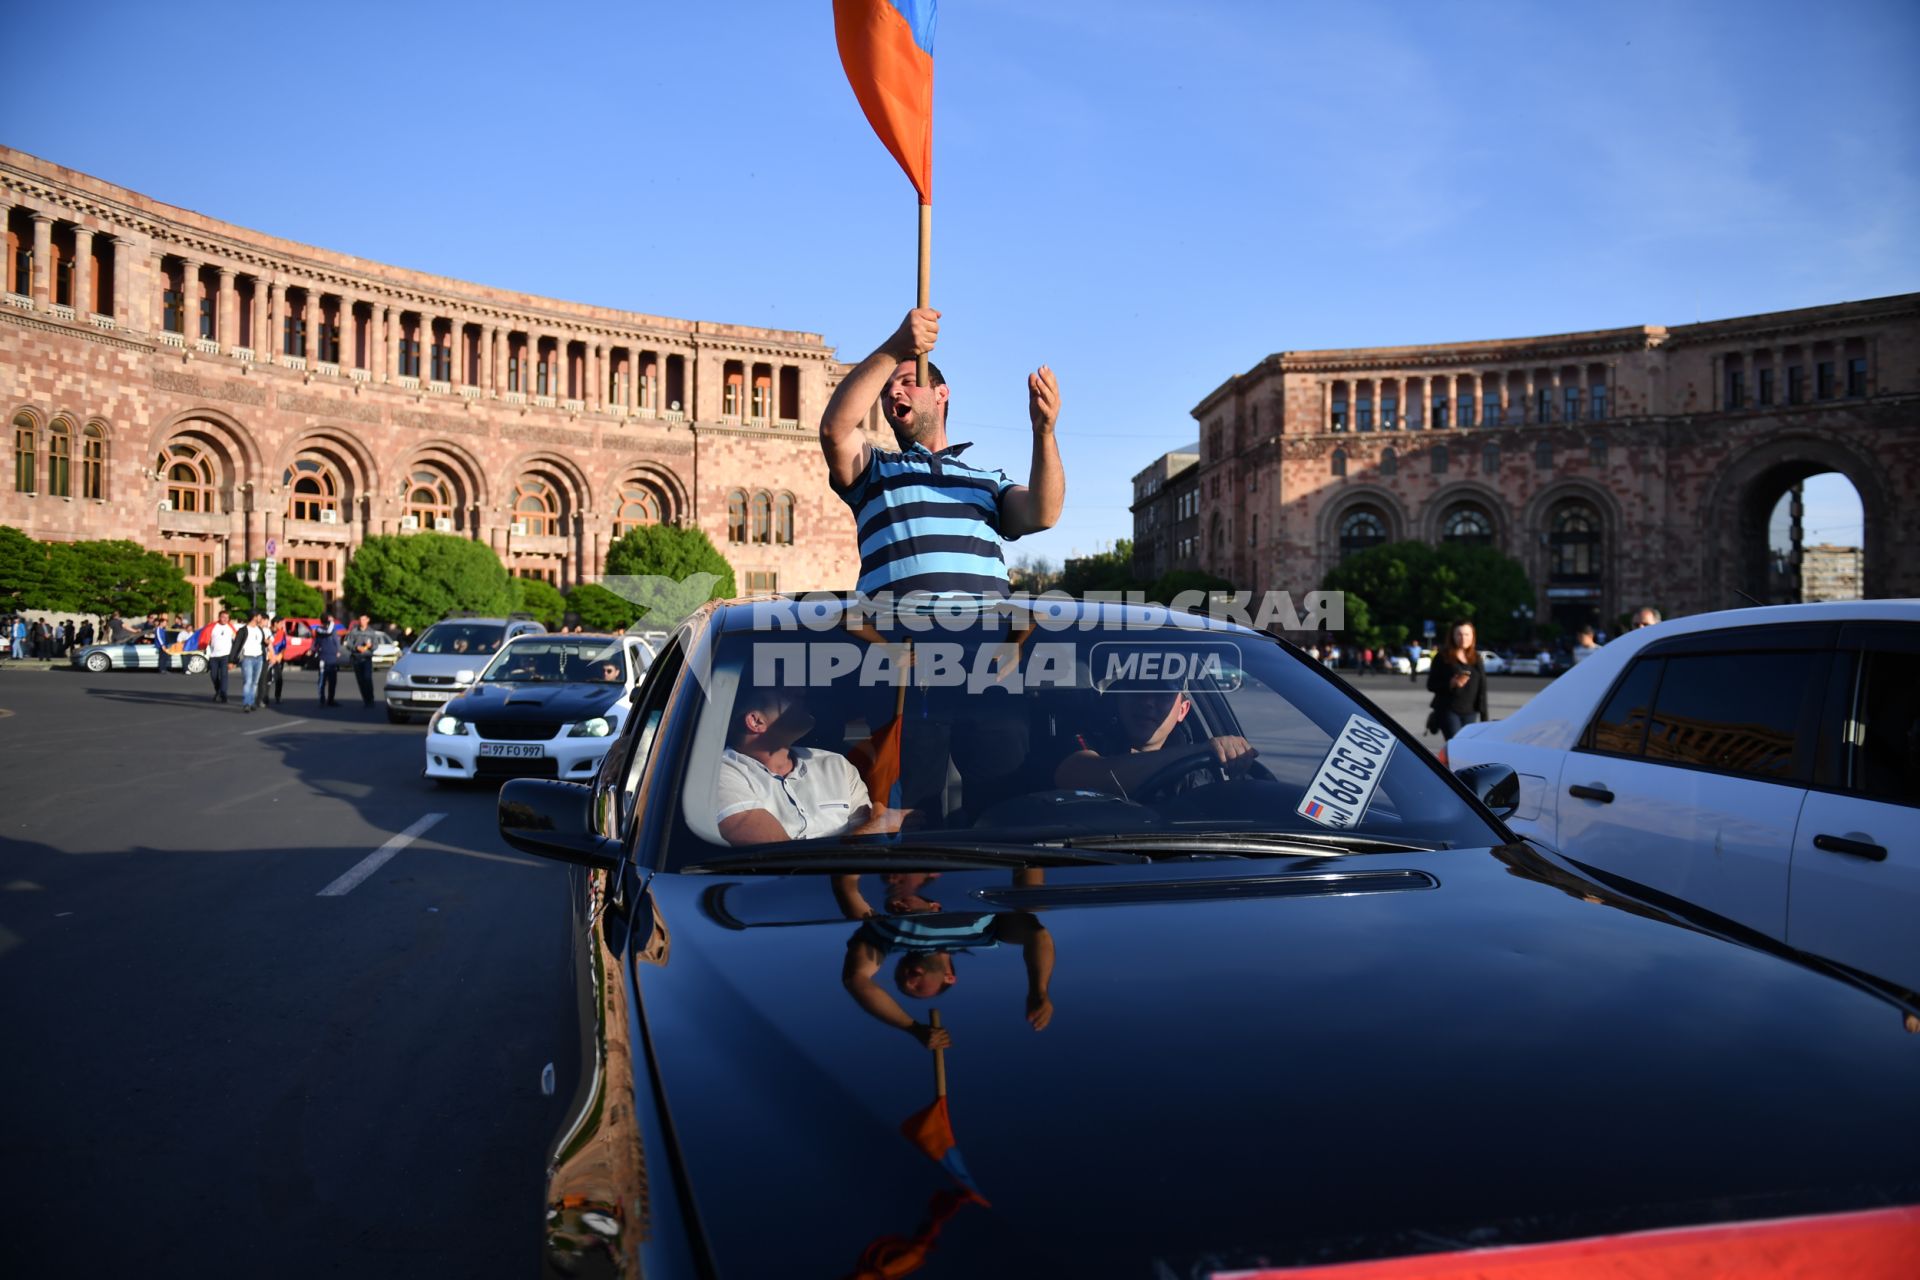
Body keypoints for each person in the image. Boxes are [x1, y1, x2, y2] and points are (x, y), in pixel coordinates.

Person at [818, 306, 1064, 598]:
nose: (893, 393)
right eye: (885, 392)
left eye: (908, 382)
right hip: (898, 638)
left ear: (941, 394)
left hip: (982, 639)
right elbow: (835, 430)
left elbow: (1043, 513)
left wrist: (1044, 434)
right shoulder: (874, 472)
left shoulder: (990, 483)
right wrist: (897, 347)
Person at [836, 872, 1055, 1047]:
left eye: (901, 982)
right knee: (1030, 906)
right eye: (918, 988)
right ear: (949, 977)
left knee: (855, 913)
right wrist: (1039, 990)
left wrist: (912, 1028)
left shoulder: (885, 937)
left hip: (890, 853)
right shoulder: (986, 933)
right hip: (968, 857)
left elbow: (855, 979)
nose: (908, 981)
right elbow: (1037, 936)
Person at [715, 686, 872, 845]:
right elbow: (775, 856)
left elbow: (871, 840)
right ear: (756, 721)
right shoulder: (716, 774)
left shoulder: (837, 765)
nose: (801, 691)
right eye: (783, 692)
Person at [1054, 680, 1258, 797]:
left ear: (1183, 710)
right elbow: (1076, 775)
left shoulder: (1207, 773)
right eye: (1138, 688)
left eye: (1163, 693)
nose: (1148, 702)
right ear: (1119, 697)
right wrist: (1198, 752)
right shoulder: (1088, 735)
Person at [1425, 619, 1488, 742]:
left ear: (1472, 636)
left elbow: (1482, 689)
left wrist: (1484, 718)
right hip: (1448, 710)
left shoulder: (1476, 658)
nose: (1463, 638)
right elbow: (1431, 684)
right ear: (1452, 636)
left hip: (1471, 712)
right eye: (1459, 634)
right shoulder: (1442, 657)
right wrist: (1451, 683)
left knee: (1465, 747)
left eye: (1467, 634)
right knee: (1456, 743)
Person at [236, 612, 270, 712]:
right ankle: (246, 703)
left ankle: (251, 702)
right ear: (254, 617)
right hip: (247, 658)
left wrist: (266, 642)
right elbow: (237, 645)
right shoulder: (243, 630)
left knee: (255, 682)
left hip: (259, 658)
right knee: (248, 681)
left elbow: (262, 642)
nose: (261, 618)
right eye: (259, 616)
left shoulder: (259, 629)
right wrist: (232, 660)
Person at [343, 613, 379, 707]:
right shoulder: (354, 631)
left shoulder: (371, 632)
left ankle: (370, 699)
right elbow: (348, 644)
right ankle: (366, 700)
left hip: (366, 658)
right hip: (357, 658)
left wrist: (370, 646)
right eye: (360, 620)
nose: (361, 621)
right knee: (360, 680)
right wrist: (356, 647)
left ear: (367, 620)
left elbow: (376, 645)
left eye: (363, 619)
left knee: (367, 679)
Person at [206, 610, 236, 703]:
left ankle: (223, 694)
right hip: (214, 655)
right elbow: (206, 637)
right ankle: (218, 691)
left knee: (224, 675)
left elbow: (237, 641)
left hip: (226, 655)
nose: (225, 619)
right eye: (223, 617)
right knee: (213, 675)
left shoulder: (230, 628)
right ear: (219, 617)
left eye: (227, 617)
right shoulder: (213, 627)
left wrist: (234, 659)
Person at [313, 615, 343, 706]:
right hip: (323, 657)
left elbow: (336, 641)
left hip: (332, 658)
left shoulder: (333, 630)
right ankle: (322, 699)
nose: (330, 622)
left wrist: (338, 650)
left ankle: (331, 700)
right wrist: (313, 649)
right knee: (322, 680)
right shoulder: (319, 629)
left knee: (333, 681)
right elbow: (327, 633)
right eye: (329, 620)